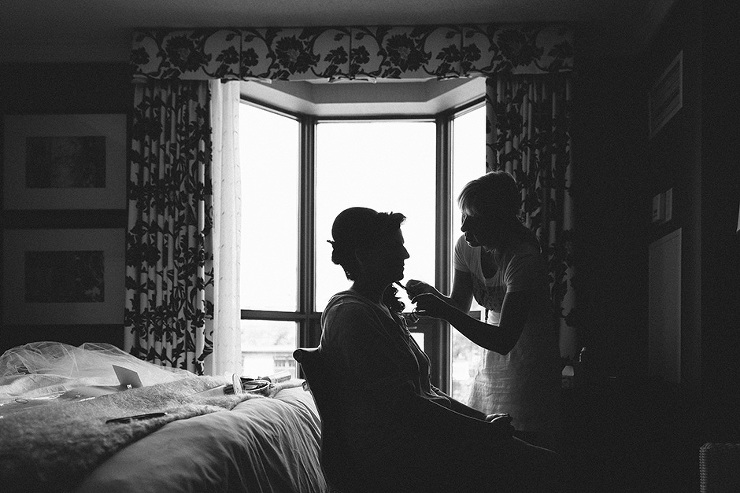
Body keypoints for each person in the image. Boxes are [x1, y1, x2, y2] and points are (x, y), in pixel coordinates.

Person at [319, 206, 560, 493]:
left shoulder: (379, 308)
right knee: (547, 467)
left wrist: (482, 419)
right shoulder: (352, 315)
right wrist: (483, 430)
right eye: (395, 247)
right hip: (400, 460)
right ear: (363, 255)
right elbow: (406, 408)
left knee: (545, 462)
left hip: (420, 445)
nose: (406, 255)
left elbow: (427, 392)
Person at [406, 171, 561, 450]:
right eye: (463, 216)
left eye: (471, 218)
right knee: (491, 436)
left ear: (497, 218)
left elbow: (504, 340)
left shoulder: (523, 258)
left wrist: (442, 310)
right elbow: (459, 305)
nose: (463, 227)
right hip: (493, 360)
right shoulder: (466, 249)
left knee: (525, 443)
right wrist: (433, 295)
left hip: (529, 357)